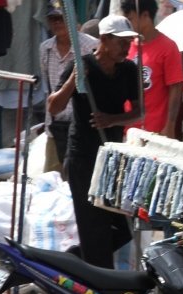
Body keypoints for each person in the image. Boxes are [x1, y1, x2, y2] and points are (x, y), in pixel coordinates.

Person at [47, 14, 141, 269]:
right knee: (93, 228)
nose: (126, 47)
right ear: (104, 40)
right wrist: (74, 79)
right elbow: (54, 106)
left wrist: (112, 119)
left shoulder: (129, 69)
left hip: (113, 159)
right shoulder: (83, 65)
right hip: (83, 158)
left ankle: (76, 260)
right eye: (121, 42)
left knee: (124, 227)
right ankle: (98, 286)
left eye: (129, 42)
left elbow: (138, 112)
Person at [40, 0, 99, 175]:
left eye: (61, 18)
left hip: (81, 124)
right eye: (53, 20)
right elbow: (47, 84)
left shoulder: (90, 46)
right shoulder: (46, 48)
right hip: (56, 124)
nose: (57, 23)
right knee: (51, 177)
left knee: (78, 176)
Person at [120, 0, 183, 138]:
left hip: (154, 131)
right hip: (126, 129)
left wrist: (170, 125)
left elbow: (176, 88)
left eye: (130, 19)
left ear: (145, 16)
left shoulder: (168, 47)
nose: (127, 24)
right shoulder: (126, 45)